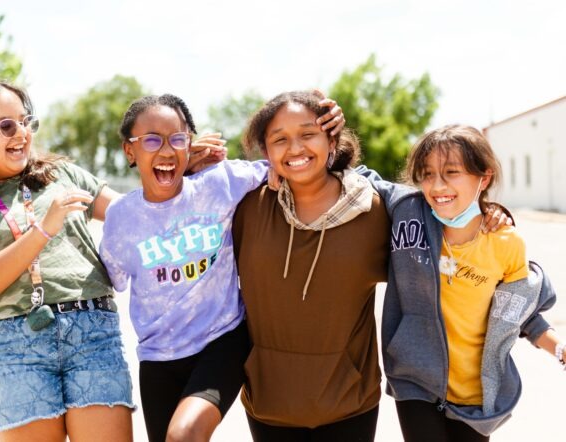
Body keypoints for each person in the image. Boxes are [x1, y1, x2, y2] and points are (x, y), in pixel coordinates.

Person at [99, 93, 344, 442]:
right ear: (129, 151)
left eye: (177, 139)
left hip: (222, 339)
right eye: (152, 140)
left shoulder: (220, 183)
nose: (166, 151)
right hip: (158, 355)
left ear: (191, 145)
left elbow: (289, 158)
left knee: (184, 435)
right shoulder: (121, 219)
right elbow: (112, 278)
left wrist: (321, 128)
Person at [0, 79, 135, 442]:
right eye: (5, 125)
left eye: (25, 121)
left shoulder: (62, 174)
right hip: (12, 349)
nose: (21, 133)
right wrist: (43, 230)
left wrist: (184, 172)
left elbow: (132, 214)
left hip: (92, 334)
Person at [369, 124, 564, 441]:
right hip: (415, 380)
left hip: (476, 393)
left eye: (451, 172)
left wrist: (560, 350)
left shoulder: (505, 241)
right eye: (427, 174)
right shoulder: (408, 212)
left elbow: (521, 311)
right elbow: (361, 178)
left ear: (483, 178)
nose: (437, 185)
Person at [232, 90, 390, 441]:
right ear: (266, 152)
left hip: (350, 403)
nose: (296, 149)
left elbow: (439, 232)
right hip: (268, 401)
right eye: (280, 140)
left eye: (308, 134)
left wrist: (488, 214)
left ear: (331, 139)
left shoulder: (374, 210)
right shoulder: (247, 209)